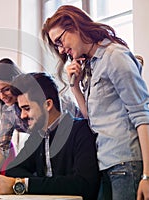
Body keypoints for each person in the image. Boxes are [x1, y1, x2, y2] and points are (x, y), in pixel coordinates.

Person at [41, 5, 149, 200]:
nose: (61, 49)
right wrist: (74, 86)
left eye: (60, 40)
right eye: (56, 45)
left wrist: (147, 176)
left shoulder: (114, 56)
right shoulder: (91, 64)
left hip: (126, 162)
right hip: (106, 163)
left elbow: (142, 115)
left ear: (74, 26)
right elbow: (90, 118)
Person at [0, 72, 100, 200]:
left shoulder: (81, 130)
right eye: (21, 109)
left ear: (48, 105)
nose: (22, 116)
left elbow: (84, 185)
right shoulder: (37, 136)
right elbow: (14, 170)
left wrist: (21, 185)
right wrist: (45, 183)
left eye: (26, 108)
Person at [0, 58, 83, 174]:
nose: (1, 96)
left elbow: (76, 128)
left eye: (6, 89)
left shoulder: (55, 102)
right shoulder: (8, 111)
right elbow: (2, 147)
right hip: (42, 143)